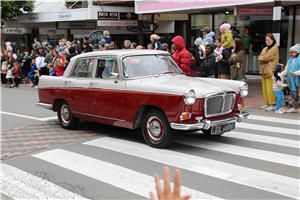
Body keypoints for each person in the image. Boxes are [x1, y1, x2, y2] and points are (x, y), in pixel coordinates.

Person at [258, 33, 279, 111]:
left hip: (271, 70)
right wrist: (262, 59)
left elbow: (267, 57)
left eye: (269, 40)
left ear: (273, 40)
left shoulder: (274, 48)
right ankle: (267, 103)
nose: (267, 41)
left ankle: (272, 103)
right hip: (264, 70)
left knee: (270, 88)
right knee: (265, 88)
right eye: (266, 40)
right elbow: (260, 57)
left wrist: (262, 59)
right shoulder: (265, 48)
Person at [280, 43, 300, 113]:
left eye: (292, 52)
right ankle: (294, 107)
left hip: (298, 80)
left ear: (297, 52)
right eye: (290, 52)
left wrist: (296, 73)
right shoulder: (290, 60)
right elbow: (286, 70)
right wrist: (280, 75)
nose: (291, 54)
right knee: (293, 94)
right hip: (292, 80)